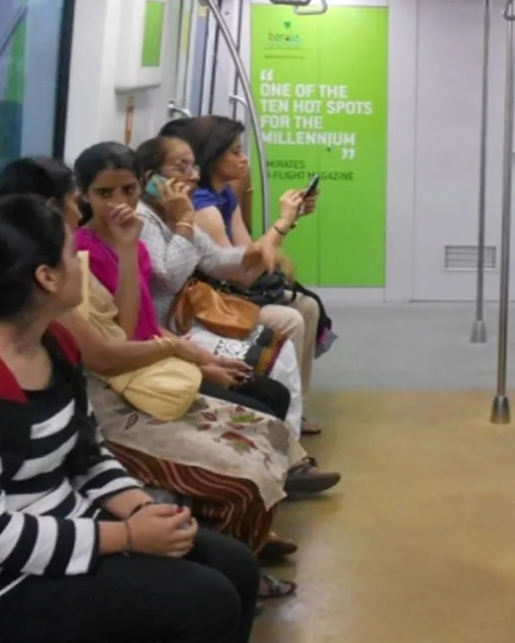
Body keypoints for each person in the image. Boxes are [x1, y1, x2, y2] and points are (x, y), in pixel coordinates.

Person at [0, 194, 261, 642]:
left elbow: (87, 455)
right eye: (74, 255)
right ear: (46, 277)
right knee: (206, 602)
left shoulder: (54, 347)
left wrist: (141, 509)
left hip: (69, 528)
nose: (83, 264)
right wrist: (127, 538)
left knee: (235, 566)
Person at [0, 158, 301, 570]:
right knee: (250, 446)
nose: (91, 208)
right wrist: (180, 351)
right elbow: (110, 349)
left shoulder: (107, 245)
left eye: (128, 190)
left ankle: (249, 543)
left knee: (269, 418)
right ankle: (240, 555)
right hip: (120, 391)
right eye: (92, 196)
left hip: (140, 365)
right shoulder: (64, 269)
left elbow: (126, 324)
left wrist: (126, 250)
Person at [73, 142, 339, 497]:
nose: (120, 201)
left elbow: (235, 262)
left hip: (168, 338)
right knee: (267, 375)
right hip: (160, 345)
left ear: (141, 184)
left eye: (128, 190)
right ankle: (281, 471)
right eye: (105, 193)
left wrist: (284, 224)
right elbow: (165, 280)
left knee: (273, 371)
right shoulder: (131, 232)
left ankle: (287, 465)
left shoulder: (145, 229)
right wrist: (183, 219)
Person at [167, 116, 330, 434]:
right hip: (214, 298)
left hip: (232, 288)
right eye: (234, 152)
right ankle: (275, 414)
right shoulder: (203, 208)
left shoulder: (225, 194)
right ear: (212, 156)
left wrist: (288, 222)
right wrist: (284, 223)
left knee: (308, 307)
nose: (243, 159)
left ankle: (297, 405)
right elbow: (242, 272)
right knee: (290, 319)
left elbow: (248, 250)